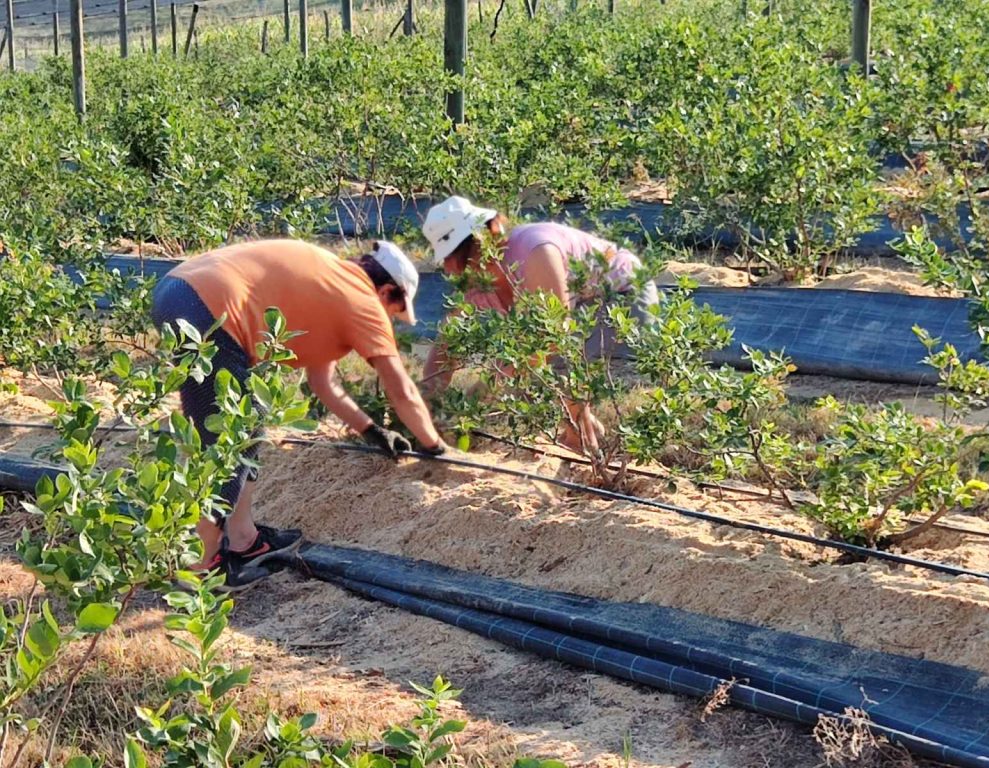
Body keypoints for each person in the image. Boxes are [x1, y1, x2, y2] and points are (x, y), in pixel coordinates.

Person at [151, 238, 447, 587]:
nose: (390, 320)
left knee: (244, 422)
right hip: (206, 304)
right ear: (386, 291)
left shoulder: (331, 285)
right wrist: (434, 447)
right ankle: (200, 566)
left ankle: (243, 540)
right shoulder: (363, 299)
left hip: (177, 292)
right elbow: (402, 391)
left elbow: (325, 385)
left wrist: (371, 430)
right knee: (231, 435)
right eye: (394, 309)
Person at [421, 196, 658, 452]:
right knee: (524, 381)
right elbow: (449, 343)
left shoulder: (535, 250)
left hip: (625, 297)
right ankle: (588, 427)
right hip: (582, 307)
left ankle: (582, 442)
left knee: (548, 358)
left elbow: (556, 335)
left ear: (487, 235)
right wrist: (426, 404)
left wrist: (478, 396)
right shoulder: (477, 282)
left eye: (458, 255)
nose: (451, 268)